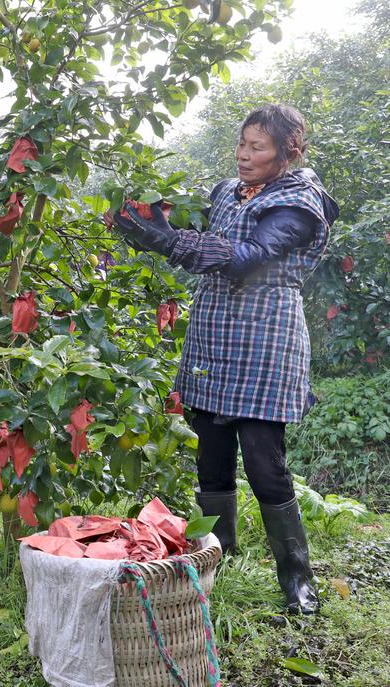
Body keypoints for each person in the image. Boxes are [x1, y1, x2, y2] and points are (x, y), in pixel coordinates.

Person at [107, 104, 340, 615]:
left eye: (257, 147)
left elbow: (245, 257)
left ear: (288, 151)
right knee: (210, 459)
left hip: (264, 342)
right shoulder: (224, 192)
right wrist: (147, 217)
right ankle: (221, 559)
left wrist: (168, 242)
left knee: (265, 465)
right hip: (213, 337)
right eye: (242, 143)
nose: (244, 155)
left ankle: (297, 580)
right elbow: (190, 224)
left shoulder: (299, 205)